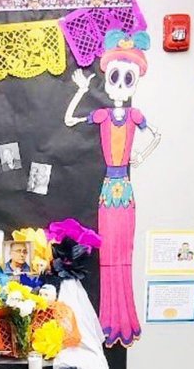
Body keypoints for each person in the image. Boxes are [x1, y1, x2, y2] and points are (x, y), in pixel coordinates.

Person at [64, 28, 162, 347]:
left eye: (127, 79)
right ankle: (108, 317)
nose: (119, 85)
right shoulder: (104, 114)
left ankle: (124, 316)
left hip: (122, 190)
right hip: (108, 191)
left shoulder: (134, 116)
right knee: (108, 254)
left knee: (124, 253)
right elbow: (69, 120)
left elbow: (156, 136)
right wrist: (81, 90)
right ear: (108, 80)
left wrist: (141, 156)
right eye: (115, 77)